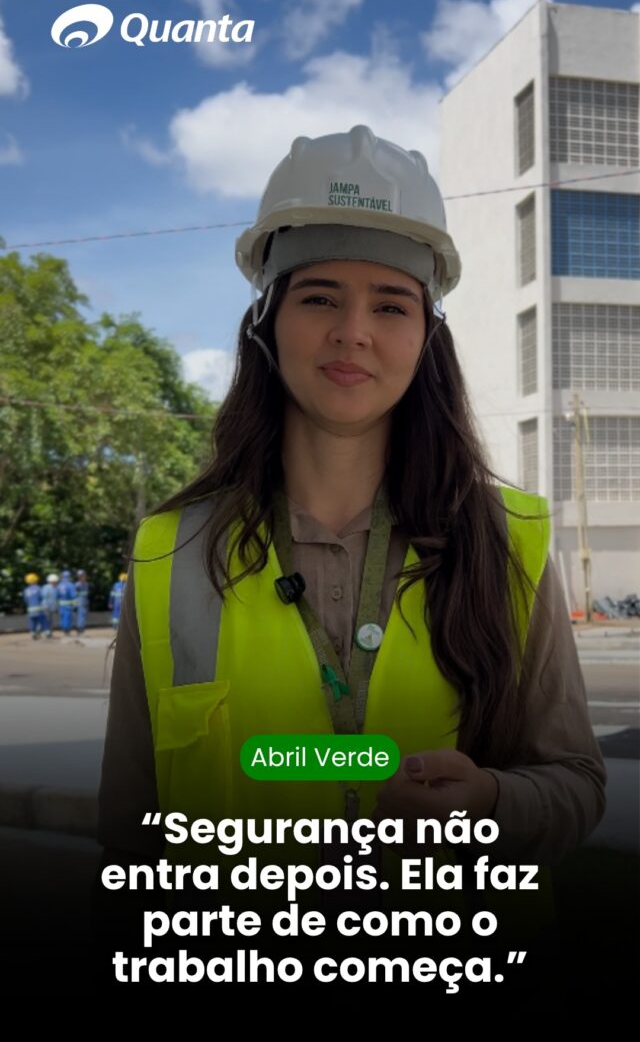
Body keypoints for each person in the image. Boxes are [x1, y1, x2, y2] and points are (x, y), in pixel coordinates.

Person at [97, 127, 605, 984]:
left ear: (427, 336)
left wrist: (489, 803)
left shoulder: (508, 541)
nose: (354, 333)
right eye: (320, 297)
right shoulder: (169, 552)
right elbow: (129, 835)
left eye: (391, 305)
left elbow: (576, 783)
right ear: (267, 322)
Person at [23, 573, 48, 640]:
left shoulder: (26, 590)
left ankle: (33, 633)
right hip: (39, 608)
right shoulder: (38, 588)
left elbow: (26, 600)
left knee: (32, 621)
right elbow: (42, 598)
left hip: (30, 609)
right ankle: (44, 632)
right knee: (42, 620)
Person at [57, 570, 76, 636]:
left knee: (62, 617)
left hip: (61, 605)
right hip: (68, 605)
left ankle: (64, 629)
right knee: (67, 617)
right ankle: (67, 630)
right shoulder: (70, 585)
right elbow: (73, 595)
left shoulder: (59, 585)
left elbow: (57, 595)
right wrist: (75, 604)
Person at [41, 574, 59, 638]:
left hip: (51, 607)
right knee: (46, 620)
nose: (55, 583)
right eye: (54, 581)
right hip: (46, 606)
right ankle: (45, 632)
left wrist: (55, 607)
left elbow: (55, 599)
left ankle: (49, 633)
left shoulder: (55, 588)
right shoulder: (46, 587)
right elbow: (44, 597)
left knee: (50, 620)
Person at [75, 569, 90, 635]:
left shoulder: (86, 584)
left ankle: (82, 628)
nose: (83, 577)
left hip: (85, 601)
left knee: (83, 615)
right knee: (80, 615)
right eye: (81, 576)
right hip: (80, 602)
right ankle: (79, 629)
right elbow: (75, 594)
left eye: (84, 576)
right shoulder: (77, 585)